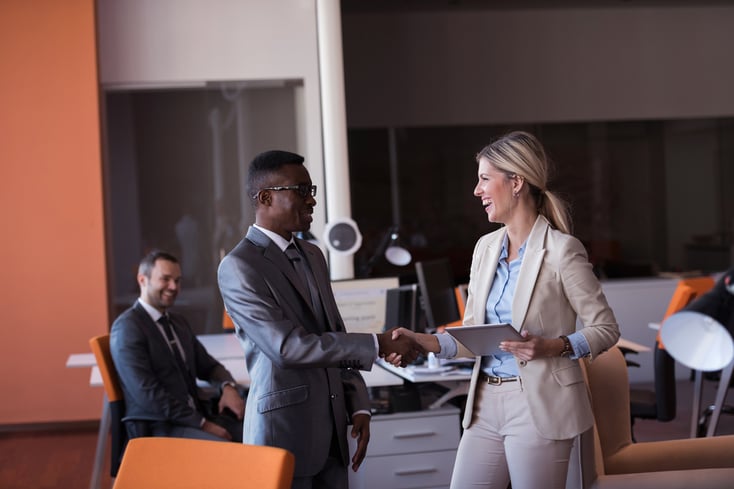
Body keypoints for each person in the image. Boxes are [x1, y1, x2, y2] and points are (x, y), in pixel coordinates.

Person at [393, 131, 620, 489]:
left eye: (484, 179)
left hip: (538, 404)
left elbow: (606, 328)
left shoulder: (562, 250)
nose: (476, 190)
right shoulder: (484, 248)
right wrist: (421, 340)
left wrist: (554, 346)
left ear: (516, 182)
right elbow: (473, 338)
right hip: (484, 401)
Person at [217, 150, 421, 489]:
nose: (312, 201)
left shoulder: (312, 255)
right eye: (301, 190)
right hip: (283, 433)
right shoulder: (240, 266)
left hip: (333, 433)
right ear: (265, 197)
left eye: (312, 190)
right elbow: (287, 347)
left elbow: (332, 333)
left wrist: (358, 405)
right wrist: (377, 343)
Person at [111, 250, 245, 442]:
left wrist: (228, 387)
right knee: (227, 447)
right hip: (160, 428)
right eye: (165, 279)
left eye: (178, 280)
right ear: (142, 280)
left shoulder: (177, 322)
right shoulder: (128, 328)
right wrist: (203, 424)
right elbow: (148, 395)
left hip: (196, 415)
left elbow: (209, 366)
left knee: (256, 430)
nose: (173, 286)